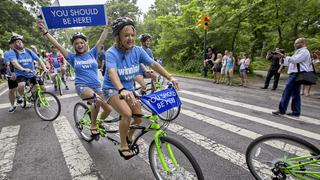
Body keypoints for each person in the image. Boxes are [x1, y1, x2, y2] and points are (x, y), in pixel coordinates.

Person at [103, 17, 179, 159]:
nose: (130, 38)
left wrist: (170, 77)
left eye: (132, 35)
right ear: (118, 37)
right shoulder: (111, 53)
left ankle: (128, 136)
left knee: (138, 118)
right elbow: (112, 72)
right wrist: (121, 89)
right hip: (112, 88)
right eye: (126, 35)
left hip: (128, 89)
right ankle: (123, 144)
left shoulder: (137, 50)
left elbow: (153, 64)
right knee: (127, 114)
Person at [37, 19, 112, 135]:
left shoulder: (93, 53)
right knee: (96, 101)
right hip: (82, 86)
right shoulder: (72, 57)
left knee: (108, 109)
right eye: (76, 43)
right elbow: (57, 45)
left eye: (81, 42)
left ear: (85, 43)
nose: (79, 45)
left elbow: (101, 40)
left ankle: (97, 122)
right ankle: (93, 125)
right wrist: (45, 32)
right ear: (74, 46)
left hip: (97, 86)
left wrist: (107, 26)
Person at [272, 37, 313, 117]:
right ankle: (296, 112)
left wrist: (283, 56)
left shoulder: (304, 51)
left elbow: (295, 60)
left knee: (287, 91)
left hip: (297, 74)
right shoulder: (299, 51)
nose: (295, 44)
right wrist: (282, 58)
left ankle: (282, 110)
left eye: (297, 43)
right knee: (296, 93)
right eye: (295, 43)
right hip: (296, 74)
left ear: (303, 43)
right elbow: (290, 62)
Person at [9, 35, 48, 104]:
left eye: (20, 41)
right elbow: (15, 63)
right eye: (17, 42)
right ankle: (21, 96)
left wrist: (45, 68)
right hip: (21, 74)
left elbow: (39, 59)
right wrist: (23, 69)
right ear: (14, 44)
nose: (20, 43)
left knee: (43, 88)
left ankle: (37, 97)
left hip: (32, 73)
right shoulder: (12, 53)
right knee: (21, 85)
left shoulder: (28, 51)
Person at [3, 39, 18, 113]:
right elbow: (8, 64)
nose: (15, 44)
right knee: (12, 90)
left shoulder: (20, 51)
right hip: (11, 74)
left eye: (16, 43)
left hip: (22, 73)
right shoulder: (7, 53)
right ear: (10, 45)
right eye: (13, 43)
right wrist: (12, 73)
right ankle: (12, 105)